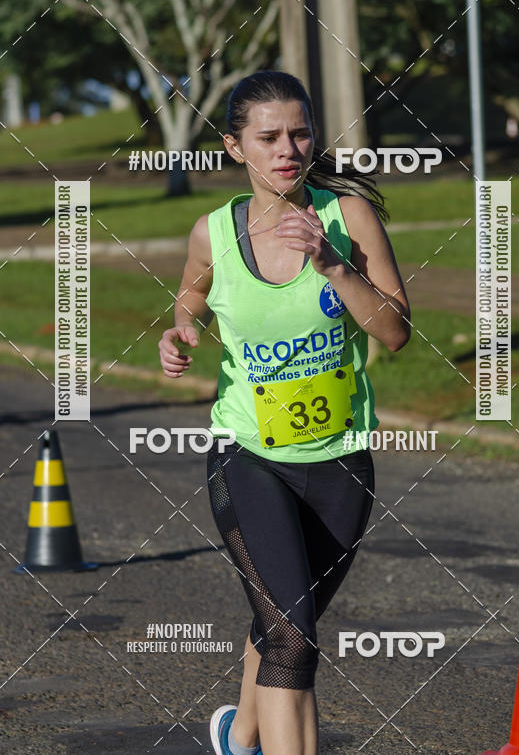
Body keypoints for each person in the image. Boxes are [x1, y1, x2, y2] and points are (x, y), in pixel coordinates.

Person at [158, 71, 410, 755]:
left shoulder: (348, 218)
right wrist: (178, 331)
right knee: (294, 637)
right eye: (267, 137)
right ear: (236, 146)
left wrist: (333, 265)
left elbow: (394, 333)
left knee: (282, 621)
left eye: (299, 133)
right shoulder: (213, 234)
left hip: (340, 463)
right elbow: (190, 298)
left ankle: (238, 733)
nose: (287, 149)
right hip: (248, 456)